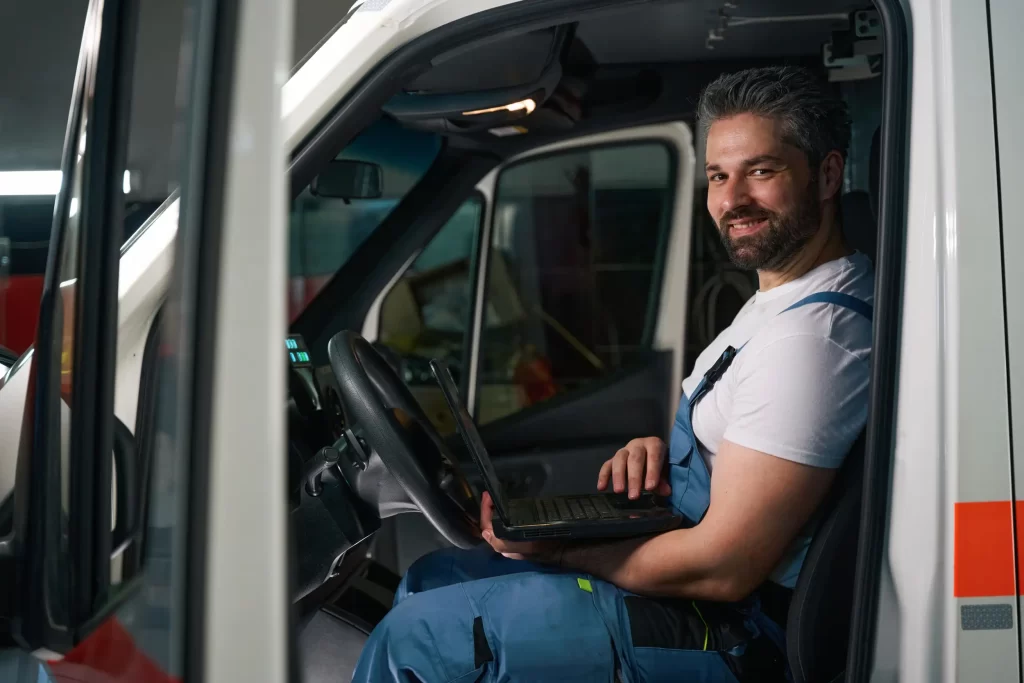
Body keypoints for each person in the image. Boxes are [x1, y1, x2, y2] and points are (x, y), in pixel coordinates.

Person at [351, 65, 874, 683]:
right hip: (698, 592)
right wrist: (670, 454)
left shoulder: (813, 339)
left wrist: (567, 549)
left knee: (421, 638)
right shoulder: (783, 301)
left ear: (828, 176)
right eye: (717, 176)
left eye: (761, 171)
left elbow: (724, 567)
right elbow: (749, 448)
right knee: (430, 579)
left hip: (729, 629)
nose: (732, 201)